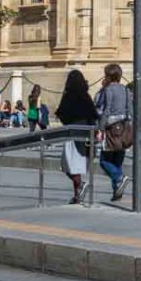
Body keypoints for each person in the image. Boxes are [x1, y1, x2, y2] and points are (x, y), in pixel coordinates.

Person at [56, 69, 98, 203]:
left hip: (72, 135)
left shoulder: (69, 96)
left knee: (67, 166)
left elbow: (62, 114)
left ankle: (79, 187)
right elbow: (93, 115)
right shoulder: (86, 96)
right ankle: (78, 194)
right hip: (86, 136)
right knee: (75, 166)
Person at [95, 64, 132, 201]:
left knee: (104, 161)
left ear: (108, 76)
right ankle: (117, 192)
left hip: (111, 129)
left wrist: (100, 128)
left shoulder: (108, 90)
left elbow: (106, 110)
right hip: (124, 128)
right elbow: (130, 110)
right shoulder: (126, 90)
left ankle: (119, 178)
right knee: (117, 162)